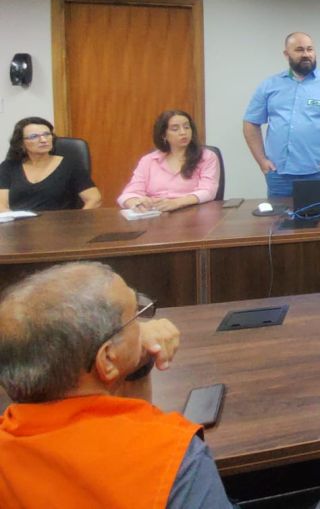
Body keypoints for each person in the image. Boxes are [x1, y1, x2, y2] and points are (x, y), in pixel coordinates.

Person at [0, 262, 234, 508]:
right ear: (107, 358)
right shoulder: (174, 458)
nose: (144, 326)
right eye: (135, 316)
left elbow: (122, 420)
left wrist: (134, 363)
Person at [243, 32, 320, 197]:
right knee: (280, 215)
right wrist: (262, 161)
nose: (306, 54)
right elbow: (250, 123)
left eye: (310, 49)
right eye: (299, 50)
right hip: (279, 175)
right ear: (286, 54)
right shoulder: (269, 85)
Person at [118, 110, 221, 212]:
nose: (183, 132)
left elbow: (208, 191)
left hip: (193, 213)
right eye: (175, 129)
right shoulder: (149, 160)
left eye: (186, 127)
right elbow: (128, 194)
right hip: (157, 214)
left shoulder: (207, 157)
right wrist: (136, 202)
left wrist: (175, 203)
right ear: (163, 135)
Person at [0, 117, 101, 212]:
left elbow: (94, 200)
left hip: (60, 223)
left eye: (47, 134)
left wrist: (79, 222)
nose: (43, 140)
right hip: (19, 223)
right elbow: (1, 205)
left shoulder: (70, 165)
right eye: (34, 136)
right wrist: (11, 221)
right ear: (21, 143)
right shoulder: (8, 167)